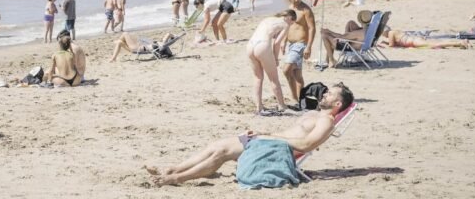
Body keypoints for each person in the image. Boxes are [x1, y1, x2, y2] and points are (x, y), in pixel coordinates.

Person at [144, 83, 354, 186]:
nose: (324, 94)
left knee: (223, 153)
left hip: (279, 150)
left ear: (337, 104)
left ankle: (176, 178)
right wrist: (264, 133)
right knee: (216, 145)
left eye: (330, 94)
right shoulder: (316, 114)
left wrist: (268, 137)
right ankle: (174, 168)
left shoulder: (326, 121)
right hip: (270, 141)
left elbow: (306, 145)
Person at [247, 10, 297, 115]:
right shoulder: (285, 24)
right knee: (274, 79)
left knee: (258, 78)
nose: (291, 25)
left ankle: (259, 107)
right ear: (289, 18)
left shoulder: (268, 19)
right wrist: (276, 58)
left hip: (250, 45)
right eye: (292, 22)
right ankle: (282, 105)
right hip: (262, 46)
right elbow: (277, 43)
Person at [284, 0, 315, 103]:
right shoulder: (289, 9)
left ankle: (294, 98)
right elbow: (287, 27)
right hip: (291, 45)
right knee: (297, 75)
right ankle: (301, 101)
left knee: (286, 70)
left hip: (301, 44)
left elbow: (312, 28)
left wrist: (309, 47)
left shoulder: (305, 10)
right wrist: (283, 42)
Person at [110, 31, 176, 62]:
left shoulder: (161, 45)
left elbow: (168, 34)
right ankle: (113, 58)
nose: (164, 38)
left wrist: (172, 36)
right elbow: (167, 37)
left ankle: (113, 58)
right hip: (138, 47)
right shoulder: (161, 46)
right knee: (120, 42)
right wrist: (172, 37)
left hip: (136, 48)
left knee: (125, 34)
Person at [382, 29, 469, 50]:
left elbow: (391, 46)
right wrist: (386, 42)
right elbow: (397, 43)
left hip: (413, 41)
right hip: (414, 39)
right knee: (435, 43)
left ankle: (460, 43)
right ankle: (457, 43)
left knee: (435, 45)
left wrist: (383, 44)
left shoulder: (390, 33)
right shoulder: (394, 31)